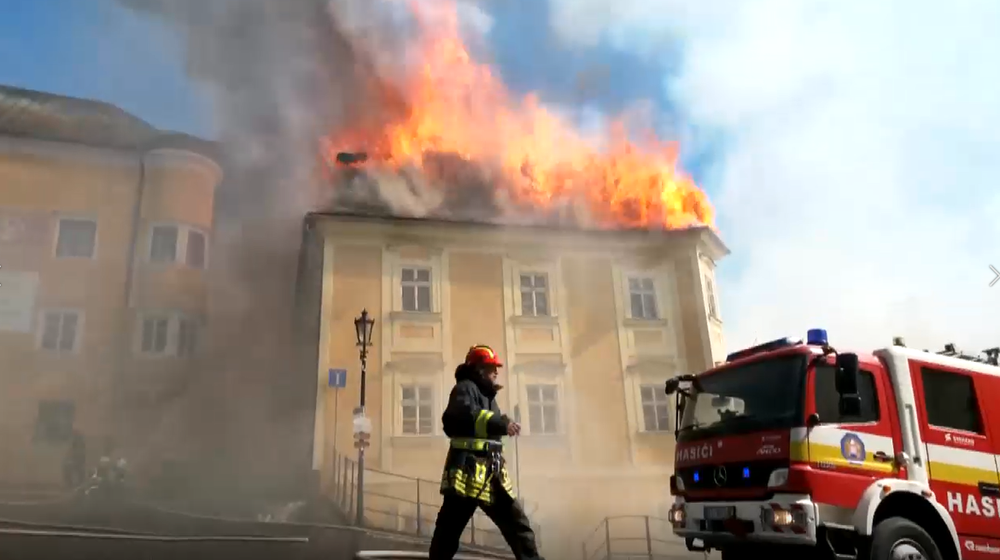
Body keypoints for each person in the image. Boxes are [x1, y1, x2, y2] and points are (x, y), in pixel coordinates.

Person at [429, 345, 544, 560]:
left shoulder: (487, 394)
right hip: (468, 473)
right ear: (480, 369)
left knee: (519, 527)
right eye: (492, 367)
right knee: (448, 533)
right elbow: (461, 417)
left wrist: (505, 422)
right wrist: (499, 423)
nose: (496, 372)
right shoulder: (464, 389)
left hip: (492, 473)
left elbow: (489, 422)